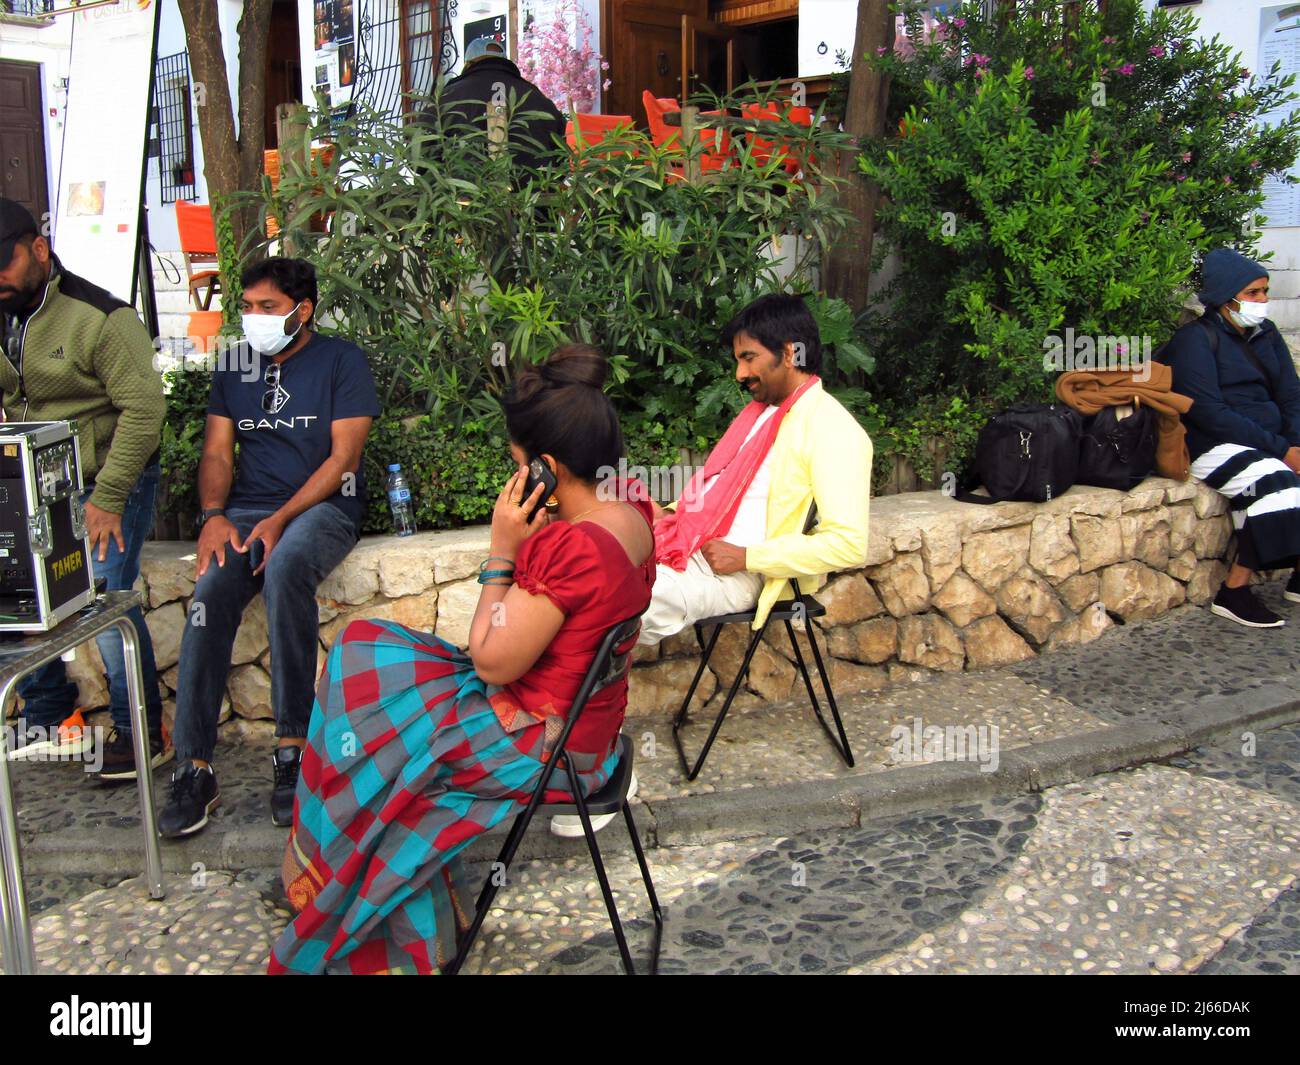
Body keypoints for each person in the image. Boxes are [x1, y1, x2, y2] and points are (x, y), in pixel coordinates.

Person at [268, 344, 654, 975]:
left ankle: (382, 921)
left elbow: (490, 661)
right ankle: (359, 885)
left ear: (547, 470)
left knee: (386, 749)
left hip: (545, 744)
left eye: (518, 464)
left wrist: (503, 550)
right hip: (584, 729)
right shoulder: (631, 513)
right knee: (362, 651)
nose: (514, 476)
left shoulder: (571, 548)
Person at [159, 257, 379, 837]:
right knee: (210, 588)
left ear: (302, 311)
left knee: (284, 570)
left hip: (325, 507)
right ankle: (194, 766)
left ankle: (293, 751)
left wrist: (283, 518)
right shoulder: (234, 364)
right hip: (247, 511)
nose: (252, 319)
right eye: (247, 308)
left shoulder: (341, 361)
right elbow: (216, 452)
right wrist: (211, 517)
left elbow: (344, 459)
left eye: (267, 308)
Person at [0, 197, 168, 779]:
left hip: (108, 473)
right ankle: (51, 717)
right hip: (25, 476)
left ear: (39, 249)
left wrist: (108, 496)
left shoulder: (102, 318)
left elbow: (145, 410)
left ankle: (143, 731)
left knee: (105, 599)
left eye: (5, 261)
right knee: (16, 594)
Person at [1167, 246, 1300, 628]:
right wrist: (1281, 451)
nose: (1264, 300)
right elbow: (1209, 412)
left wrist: (1294, 440)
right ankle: (1234, 591)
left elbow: (1290, 393)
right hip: (1213, 441)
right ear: (1227, 299)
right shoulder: (1195, 340)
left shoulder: (1267, 334)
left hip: (1270, 436)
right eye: (1254, 293)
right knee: (1277, 483)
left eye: (1265, 291)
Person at [416, 37, 566, 176]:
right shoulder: (535, 97)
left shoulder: (447, 97)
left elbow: (417, 155)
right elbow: (563, 154)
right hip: (534, 199)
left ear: (468, 64)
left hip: (463, 199)